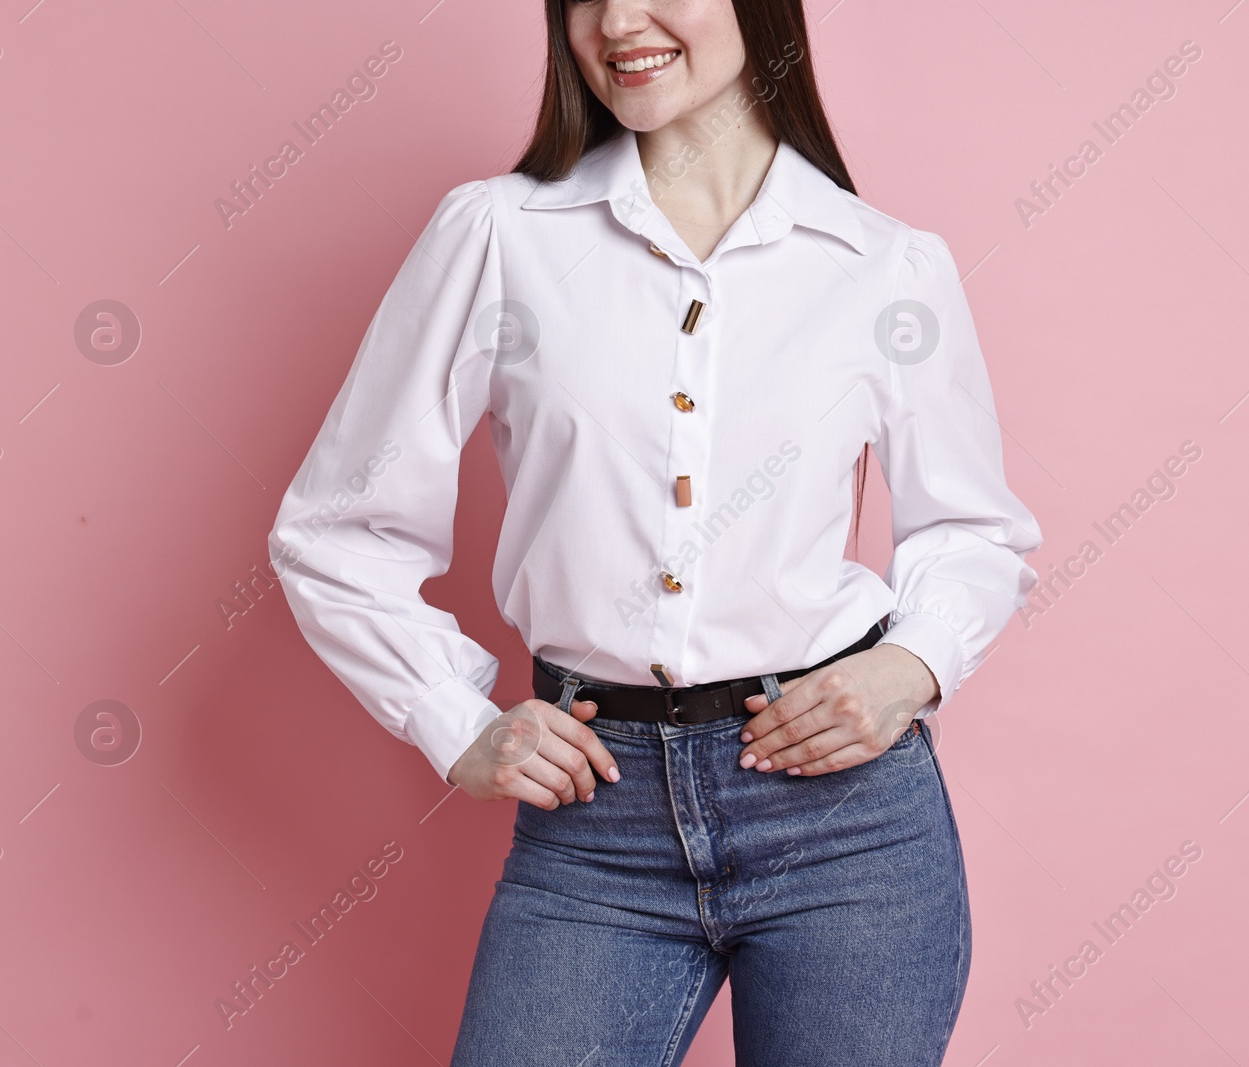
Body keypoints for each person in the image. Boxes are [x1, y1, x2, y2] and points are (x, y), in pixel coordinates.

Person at [269, 1, 1043, 1062]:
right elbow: (333, 528)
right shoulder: (497, 236)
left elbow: (972, 527)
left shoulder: (884, 265)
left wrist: (908, 666)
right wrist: (453, 719)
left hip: (848, 827)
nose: (615, 21)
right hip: (596, 819)